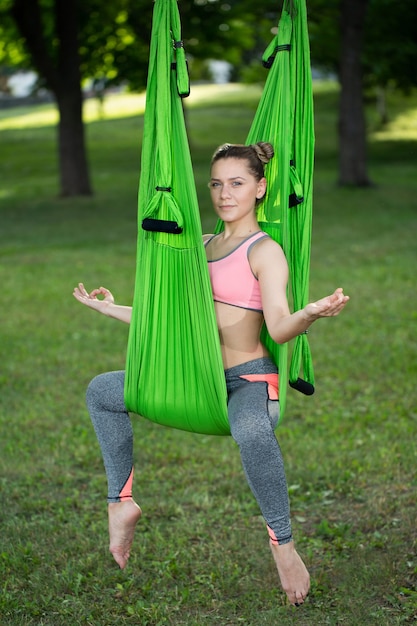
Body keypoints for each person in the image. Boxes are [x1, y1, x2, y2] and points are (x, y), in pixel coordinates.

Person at [73, 142, 349, 606]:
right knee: (103, 391)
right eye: (217, 184)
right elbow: (166, 318)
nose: (225, 194)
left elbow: (279, 329)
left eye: (237, 183)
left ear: (260, 188)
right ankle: (120, 504)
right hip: (196, 382)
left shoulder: (265, 252)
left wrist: (311, 314)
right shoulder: (197, 246)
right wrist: (107, 308)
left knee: (252, 432)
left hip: (248, 381)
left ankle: (283, 546)